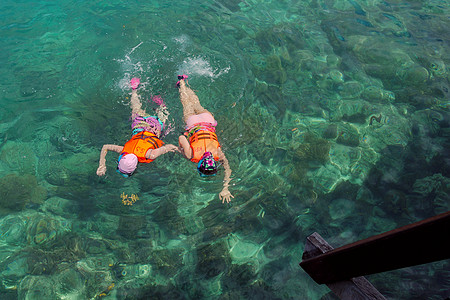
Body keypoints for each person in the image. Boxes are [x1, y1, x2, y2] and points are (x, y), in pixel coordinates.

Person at [96, 77, 178, 177]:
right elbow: (105, 147)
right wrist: (101, 164)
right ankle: (134, 90)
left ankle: (161, 105)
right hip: (138, 126)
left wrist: (181, 152)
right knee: (136, 108)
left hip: (154, 127)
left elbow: (169, 147)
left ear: (135, 168)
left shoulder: (151, 154)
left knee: (163, 116)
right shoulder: (123, 150)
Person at [176, 75, 234, 203]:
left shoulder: (218, 154)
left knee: (196, 103)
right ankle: (181, 84)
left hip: (208, 120)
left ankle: (185, 81)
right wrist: (182, 150)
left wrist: (226, 187)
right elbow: (181, 137)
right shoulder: (191, 155)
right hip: (193, 124)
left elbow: (228, 169)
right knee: (186, 103)